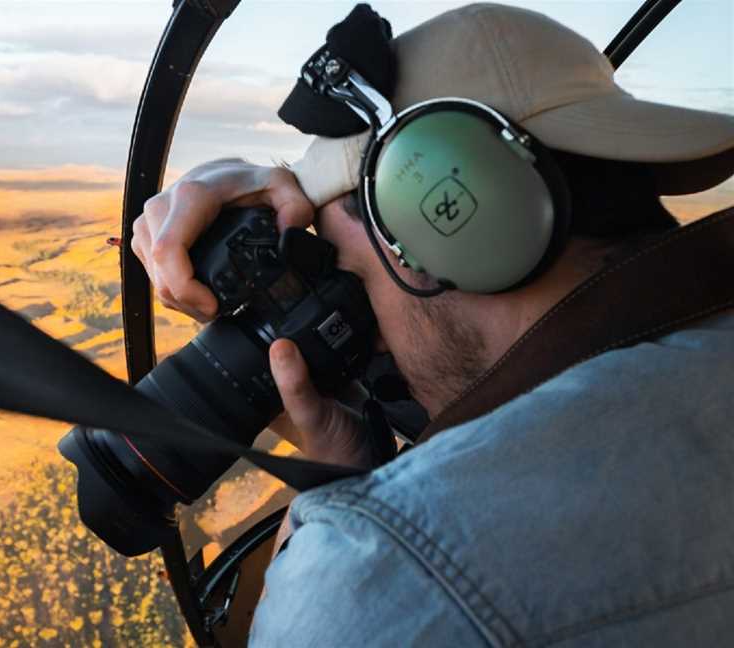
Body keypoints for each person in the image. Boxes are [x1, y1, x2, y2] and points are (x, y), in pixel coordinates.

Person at [132, 4, 734, 645]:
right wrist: (351, 470)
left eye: (346, 276)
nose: (364, 335)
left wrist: (354, 510)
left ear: (453, 228)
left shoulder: (390, 575)